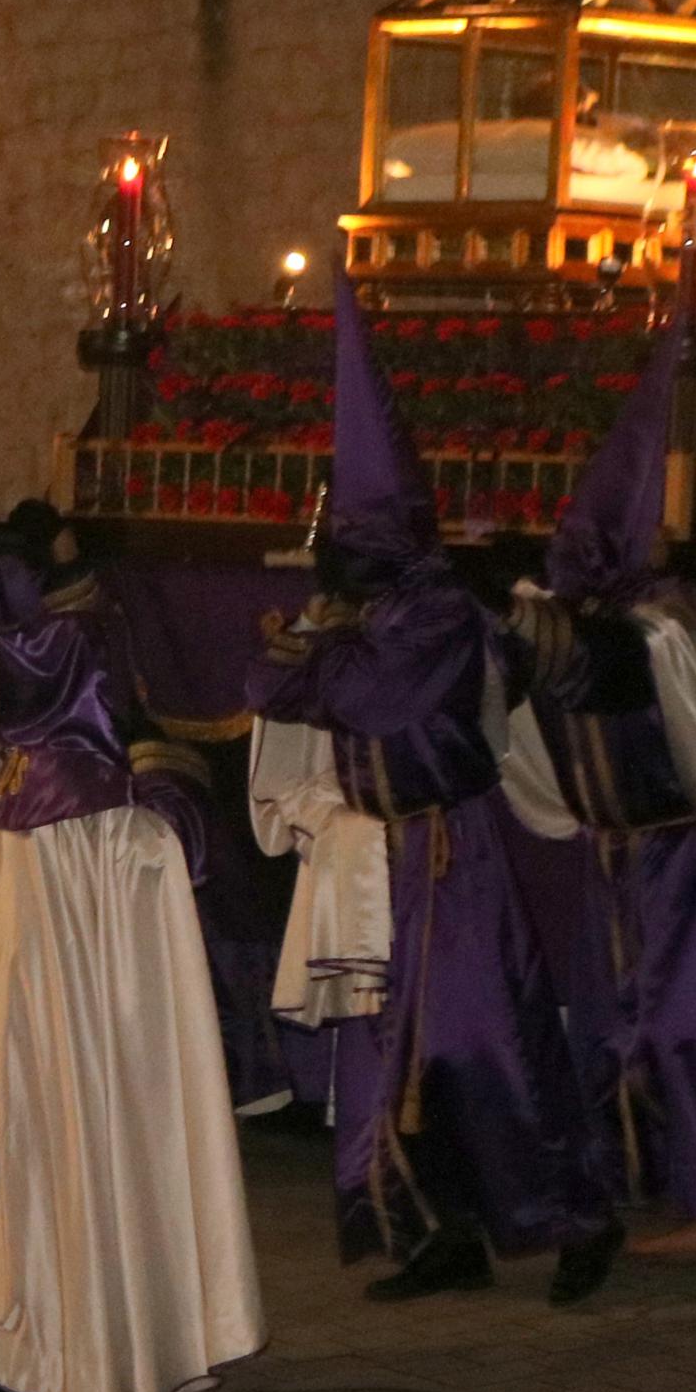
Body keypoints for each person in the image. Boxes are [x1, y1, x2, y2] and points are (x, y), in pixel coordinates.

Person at [246, 278, 618, 1304]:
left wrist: (313, 650)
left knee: (484, 1047)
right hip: (382, 862)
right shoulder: (367, 615)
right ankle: (440, 1229)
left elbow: (360, 693)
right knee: (384, 1061)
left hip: (455, 857)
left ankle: (575, 1215)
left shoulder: (443, 617)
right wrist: (311, 651)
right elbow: (264, 684)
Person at [0, 545, 266, 1392]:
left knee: (42, 1170)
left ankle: (29, 1344)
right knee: (116, 1159)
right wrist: (167, 797)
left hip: (19, 1025)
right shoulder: (111, 817)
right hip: (98, 1036)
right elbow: (169, 896)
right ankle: (113, 1341)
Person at [502, 303, 696, 1254]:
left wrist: (541, 631)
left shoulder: (652, 637)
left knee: (690, 1026)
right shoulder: (604, 630)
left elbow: (595, 670)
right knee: (614, 1027)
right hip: (618, 858)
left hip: (682, 860)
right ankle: (646, 1184)